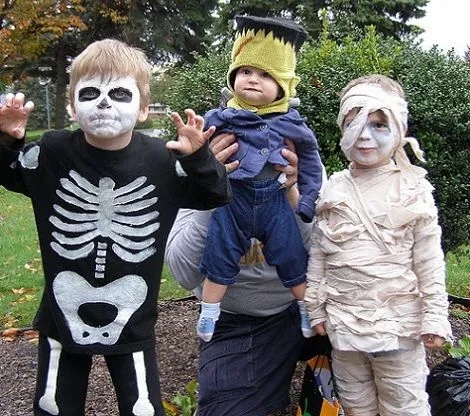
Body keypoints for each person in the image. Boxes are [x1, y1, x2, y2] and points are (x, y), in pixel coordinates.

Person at [0, 38, 230, 416]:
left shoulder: (162, 159)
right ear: (73, 107)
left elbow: (217, 194)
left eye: (119, 93)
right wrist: (8, 139)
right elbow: (7, 172)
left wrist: (199, 158)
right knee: (54, 406)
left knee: (143, 409)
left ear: (142, 109)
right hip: (63, 315)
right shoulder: (52, 153)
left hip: (133, 317)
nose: (104, 102)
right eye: (91, 93)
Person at [305, 74, 453, 415]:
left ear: (399, 130)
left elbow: (429, 261)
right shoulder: (334, 188)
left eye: (378, 125)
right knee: (355, 405)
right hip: (345, 327)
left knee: (403, 404)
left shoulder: (413, 189)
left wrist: (434, 316)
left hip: (396, 328)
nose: (365, 136)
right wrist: (314, 307)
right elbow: (320, 253)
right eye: (354, 124)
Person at [166, 132, 329, 416]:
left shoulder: (299, 161)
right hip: (241, 320)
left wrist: (295, 196)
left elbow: (327, 256)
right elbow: (184, 274)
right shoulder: (190, 168)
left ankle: (334, 377)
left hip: (310, 304)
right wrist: (212, 188)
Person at [196, 15, 324, 342]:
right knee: (219, 252)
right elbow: (195, 154)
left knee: (292, 253)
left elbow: (308, 162)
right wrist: (195, 155)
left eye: (266, 75)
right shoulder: (218, 119)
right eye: (246, 71)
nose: (253, 80)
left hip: (276, 201)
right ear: (233, 75)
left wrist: (306, 200)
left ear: (284, 85)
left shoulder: (293, 125)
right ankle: (210, 312)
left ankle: (306, 308)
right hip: (232, 200)